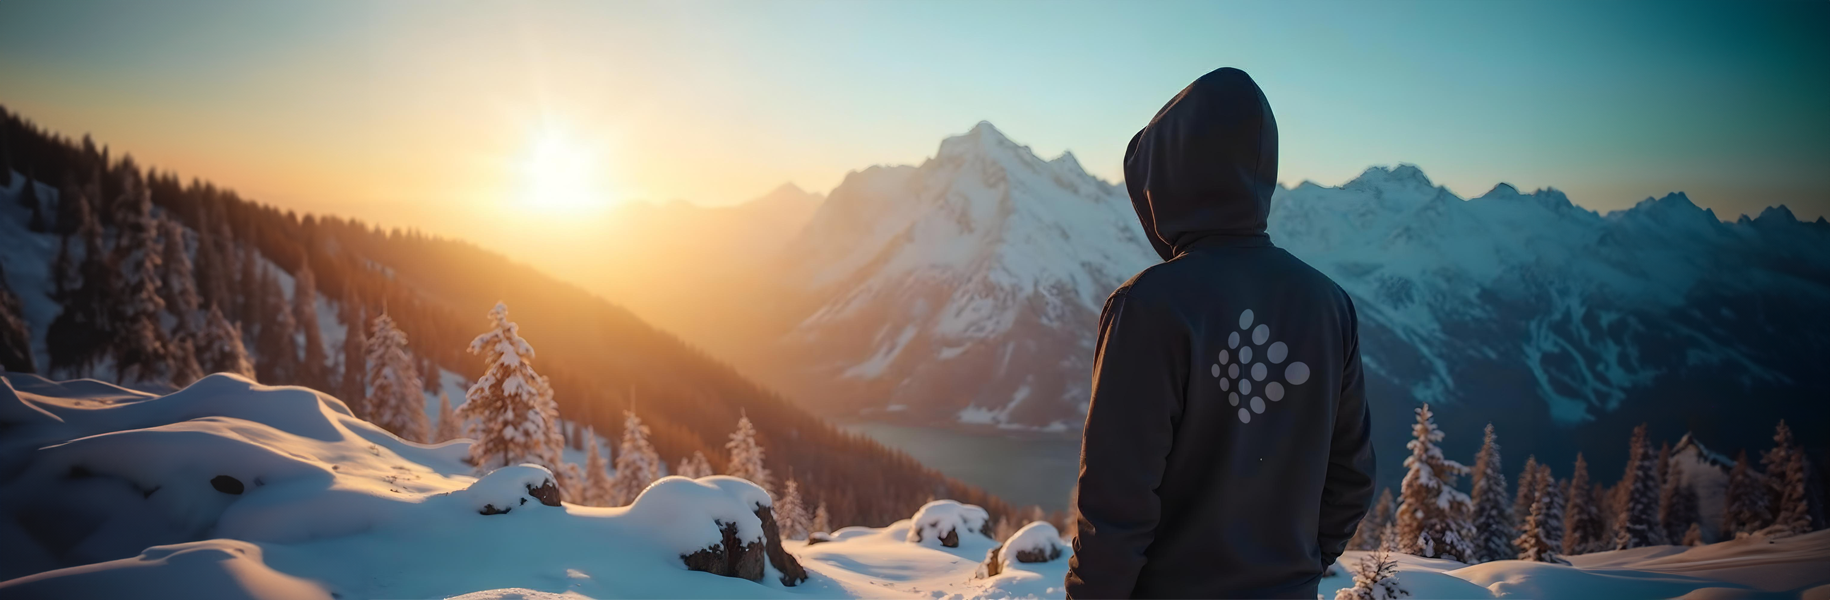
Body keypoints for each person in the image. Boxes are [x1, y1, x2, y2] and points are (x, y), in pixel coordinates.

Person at [1065, 67, 1376, 599]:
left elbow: (1116, 505)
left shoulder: (1149, 306)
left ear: (1166, 182)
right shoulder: (1327, 303)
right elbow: (1351, 477)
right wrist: (1293, 568)